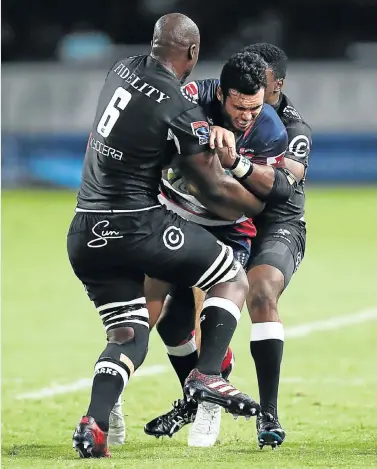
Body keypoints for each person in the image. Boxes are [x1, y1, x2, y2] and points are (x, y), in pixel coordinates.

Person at [67, 13, 265, 459]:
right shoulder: (179, 105)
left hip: (84, 231)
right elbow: (213, 189)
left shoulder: (122, 68)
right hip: (135, 224)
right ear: (193, 53)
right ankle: (207, 373)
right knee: (231, 274)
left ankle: (94, 423)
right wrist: (260, 204)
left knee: (129, 334)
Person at [140, 44, 311, 449]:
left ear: (275, 85)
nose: (248, 110)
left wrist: (235, 164)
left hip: (275, 221)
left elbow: (283, 191)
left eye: (259, 88)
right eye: (239, 95)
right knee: (173, 317)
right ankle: (196, 397)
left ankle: (267, 415)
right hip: (218, 215)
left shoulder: (289, 127)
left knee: (260, 291)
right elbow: (171, 111)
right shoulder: (208, 99)